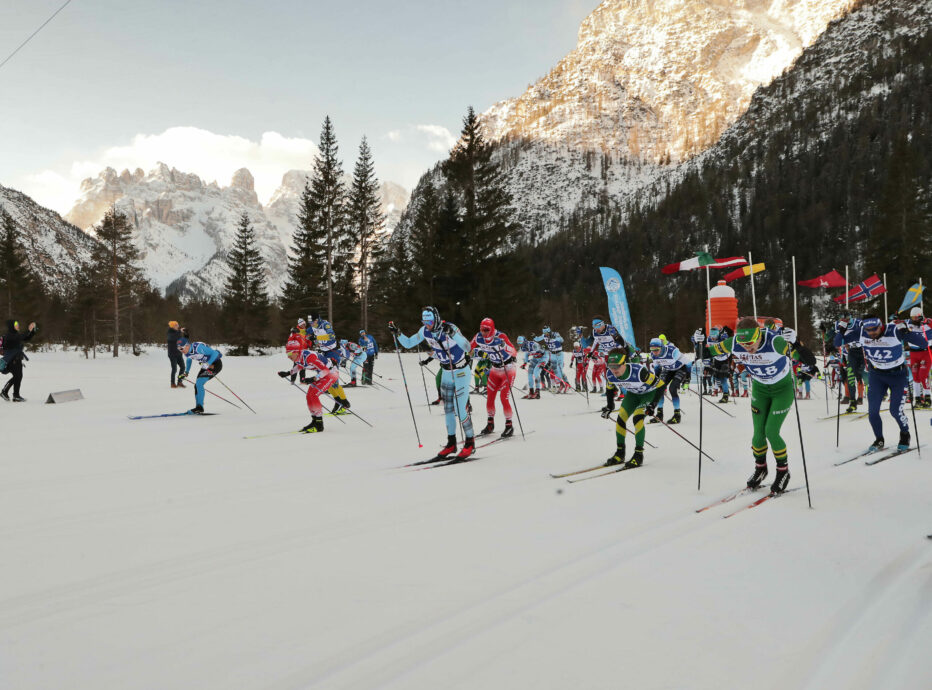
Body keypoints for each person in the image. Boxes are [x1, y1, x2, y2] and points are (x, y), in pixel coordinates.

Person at [703, 317, 796, 493]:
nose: (747, 348)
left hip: (782, 390)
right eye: (743, 344)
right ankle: (761, 469)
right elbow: (709, 353)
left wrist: (795, 343)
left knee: (771, 431)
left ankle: (783, 471)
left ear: (759, 335)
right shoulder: (734, 342)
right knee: (757, 435)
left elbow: (804, 357)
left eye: (751, 343)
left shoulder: (774, 341)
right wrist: (700, 344)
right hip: (760, 390)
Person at [390, 306, 476, 459]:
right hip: (446, 373)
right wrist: (398, 334)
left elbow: (467, 347)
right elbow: (409, 343)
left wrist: (453, 335)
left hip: (461, 371)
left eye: (429, 320)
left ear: (436, 318)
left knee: (460, 408)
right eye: (424, 320)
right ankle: (451, 443)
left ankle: (470, 443)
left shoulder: (450, 328)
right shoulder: (425, 331)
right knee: (448, 409)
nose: (427, 323)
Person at [834, 315, 925, 452]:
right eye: (868, 330)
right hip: (877, 376)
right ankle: (879, 439)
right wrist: (841, 329)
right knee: (872, 412)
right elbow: (837, 343)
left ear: (880, 325)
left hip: (897, 376)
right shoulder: (861, 332)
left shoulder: (894, 330)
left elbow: (923, 344)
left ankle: (905, 433)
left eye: (875, 330)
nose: (871, 333)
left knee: (895, 411)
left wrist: (907, 332)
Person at [599, 347, 664, 468]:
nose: (614, 370)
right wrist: (609, 406)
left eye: (617, 366)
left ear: (624, 363)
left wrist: (653, 404)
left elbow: (661, 385)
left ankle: (638, 455)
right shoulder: (610, 374)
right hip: (633, 395)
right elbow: (609, 389)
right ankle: (620, 453)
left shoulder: (639, 372)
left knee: (637, 418)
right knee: (620, 419)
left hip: (648, 395)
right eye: (611, 366)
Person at [278, 334, 339, 432]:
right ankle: (314, 421)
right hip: (322, 374)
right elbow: (299, 366)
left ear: (296, 351)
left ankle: (319, 424)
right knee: (309, 395)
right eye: (287, 354)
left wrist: (313, 379)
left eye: (289, 354)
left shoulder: (309, 357)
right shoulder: (298, 357)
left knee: (314, 394)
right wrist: (288, 373)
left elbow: (326, 370)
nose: (288, 356)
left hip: (331, 373)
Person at [469, 317, 518, 437]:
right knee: (490, 397)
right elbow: (469, 347)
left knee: (504, 398)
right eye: (482, 329)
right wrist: (471, 353)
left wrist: (503, 346)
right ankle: (490, 424)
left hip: (508, 369)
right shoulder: (479, 337)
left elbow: (514, 352)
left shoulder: (500, 336)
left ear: (491, 329)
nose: (483, 333)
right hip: (495, 369)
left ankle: (509, 425)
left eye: (486, 330)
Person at [307, 312, 352, 414]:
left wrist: (317, 338)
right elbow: (306, 333)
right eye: (309, 322)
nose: (311, 324)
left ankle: (345, 403)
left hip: (333, 352)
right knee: (326, 380)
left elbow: (331, 336)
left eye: (312, 322)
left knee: (333, 379)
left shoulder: (325, 324)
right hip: (324, 353)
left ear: (317, 320)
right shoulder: (313, 326)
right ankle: (338, 401)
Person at [647, 336, 691, 424]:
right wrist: (656, 380)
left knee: (672, 389)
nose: (654, 352)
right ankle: (659, 414)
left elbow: (688, 363)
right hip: (668, 370)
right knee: (659, 388)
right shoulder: (653, 355)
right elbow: (657, 368)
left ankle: (677, 415)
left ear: (661, 347)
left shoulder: (673, 351)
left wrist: (687, 378)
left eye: (656, 350)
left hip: (680, 368)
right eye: (652, 349)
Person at [176, 337, 222, 414]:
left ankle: (199, 408)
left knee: (199, 383)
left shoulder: (198, 348)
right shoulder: (186, 352)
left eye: (181, 348)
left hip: (215, 365)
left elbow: (215, 353)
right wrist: (186, 372)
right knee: (197, 385)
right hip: (205, 366)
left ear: (187, 345)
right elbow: (189, 359)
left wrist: (208, 363)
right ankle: (198, 407)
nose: (181, 350)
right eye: (179, 349)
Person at [1, 319, 37, 402]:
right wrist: (29, 329)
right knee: (18, 376)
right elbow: (20, 337)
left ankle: (6, 392)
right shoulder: (9, 335)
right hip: (12, 360)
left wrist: (33, 331)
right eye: (16, 324)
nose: (18, 326)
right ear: (12, 326)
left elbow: (26, 338)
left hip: (16, 359)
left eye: (18, 324)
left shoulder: (15, 334)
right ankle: (15, 395)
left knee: (17, 377)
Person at [906, 307, 932, 408]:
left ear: (920, 316)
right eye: (912, 318)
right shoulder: (909, 323)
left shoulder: (927, 323)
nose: (914, 320)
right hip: (913, 353)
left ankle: (928, 397)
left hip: (926, 352)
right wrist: (896, 320)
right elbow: (897, 325)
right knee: (915, 376)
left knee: (922, 375)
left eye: (916, 318)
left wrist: (926, 321)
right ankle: (917, 399)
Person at [535, 326, 568, 393]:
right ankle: (561, 384)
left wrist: (555, 339)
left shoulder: (555, 334)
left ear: (549, 331)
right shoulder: (544, 335)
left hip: (559, 354)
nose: (545, 334)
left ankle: (567, 384)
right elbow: (538, 339)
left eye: (546, 332)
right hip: (552, 354)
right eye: (544, 333)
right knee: (555, 371)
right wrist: (534, 337)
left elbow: (562, 340)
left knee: (559, 370)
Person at [707, 325, 733, 402]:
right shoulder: (709, 339)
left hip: (725, 359)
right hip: (717, 359)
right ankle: (726, 391)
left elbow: (729, 346)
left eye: (714, 336)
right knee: (717, 378)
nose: (713, 338)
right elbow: (710, 350)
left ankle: (725, 396)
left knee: (723, 378)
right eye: (711, 335)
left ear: (718, 334)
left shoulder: (723, 337)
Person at [517, 335, 543, 399]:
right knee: (529, 375)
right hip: (534, 360)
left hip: (541, 359)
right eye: (518, 343)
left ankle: (537, 392)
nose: (520, 344)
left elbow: (542, 352)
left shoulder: (533, 345)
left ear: (524, 341)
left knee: (536, 373)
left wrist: (543, 362)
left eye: (521, 342)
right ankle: (531, 392)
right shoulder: (523, 347)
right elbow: (526, 354)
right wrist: (525, 363)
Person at [166, 321, 186, 388]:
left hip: (178, 354)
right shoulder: (170, 332)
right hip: (172, 354)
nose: (178, 326)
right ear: (172, 326)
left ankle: (180, 382)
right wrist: (180, 331)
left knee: (183, 367)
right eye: (176, 325)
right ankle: (172, 383)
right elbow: (172, 338)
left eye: (178, 325)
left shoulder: (178, 333)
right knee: (174, 369)